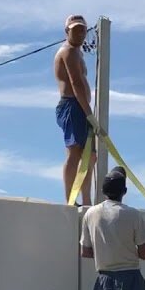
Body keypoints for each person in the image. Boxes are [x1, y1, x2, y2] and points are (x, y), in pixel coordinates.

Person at [54, 14, 101, 206]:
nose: (80, 33)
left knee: (90, 155)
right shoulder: (68, 52)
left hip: (79, 106)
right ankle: (70, 200)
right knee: (74, 151)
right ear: (67, 31)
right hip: (72, 105)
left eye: (82, 29)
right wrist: (89, 114)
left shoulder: (78, 53)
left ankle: (86, 200)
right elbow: (76, 84)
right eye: (75, 30)